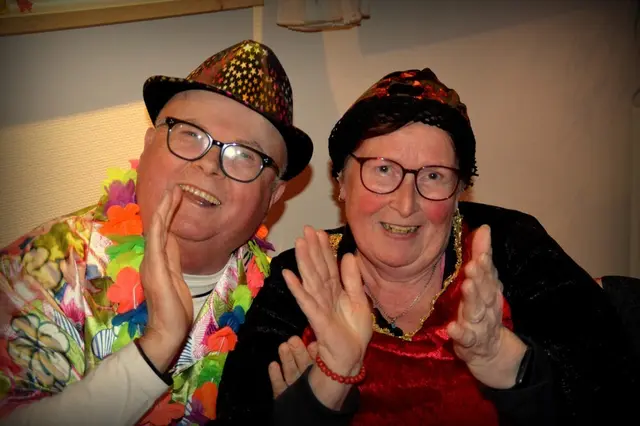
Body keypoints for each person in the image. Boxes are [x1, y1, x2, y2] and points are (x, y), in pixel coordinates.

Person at [214, 68, 640, 425]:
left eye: (433, 176)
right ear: (340, 181)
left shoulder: (509, 246)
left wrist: (507, 364)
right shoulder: (306, 274)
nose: (405, 204)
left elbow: (612, 393)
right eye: (383, 169)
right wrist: (330, 382)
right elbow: (242, 414)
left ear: (459, 193)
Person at [0, 39, 313, 426]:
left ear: (274, 196)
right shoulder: (33, 270)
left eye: (244, 155)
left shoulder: (282, 306)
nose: (209, 164)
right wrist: (157, 347)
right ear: (149, 144)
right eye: (190, 134)